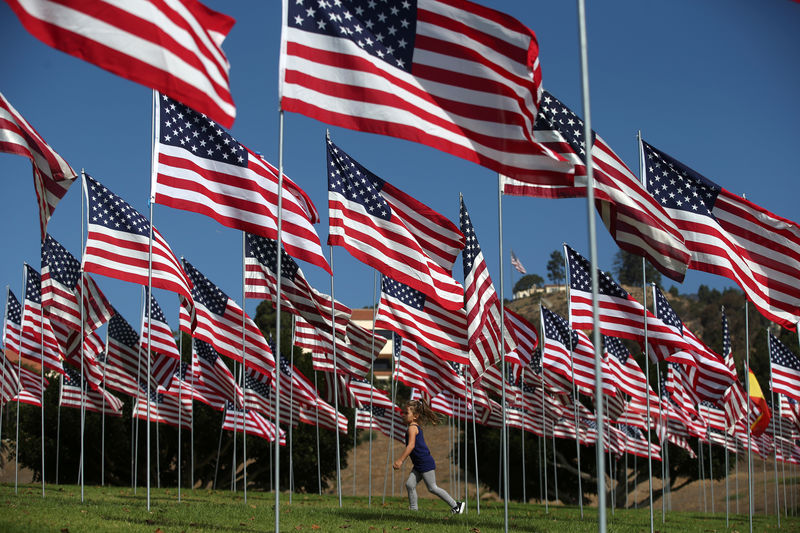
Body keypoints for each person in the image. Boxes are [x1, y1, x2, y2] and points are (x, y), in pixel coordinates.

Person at [392, 399, 465, 514]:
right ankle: (414, 510)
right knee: (410, 484)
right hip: (419, 464)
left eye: (406, 413)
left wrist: (400, 460)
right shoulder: (413, 427)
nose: (403, 415)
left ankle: (456, 506)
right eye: (403, 413)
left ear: (415, 416)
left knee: (432, 488)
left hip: (425, 462)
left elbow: (411, 446)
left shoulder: (412, 428)